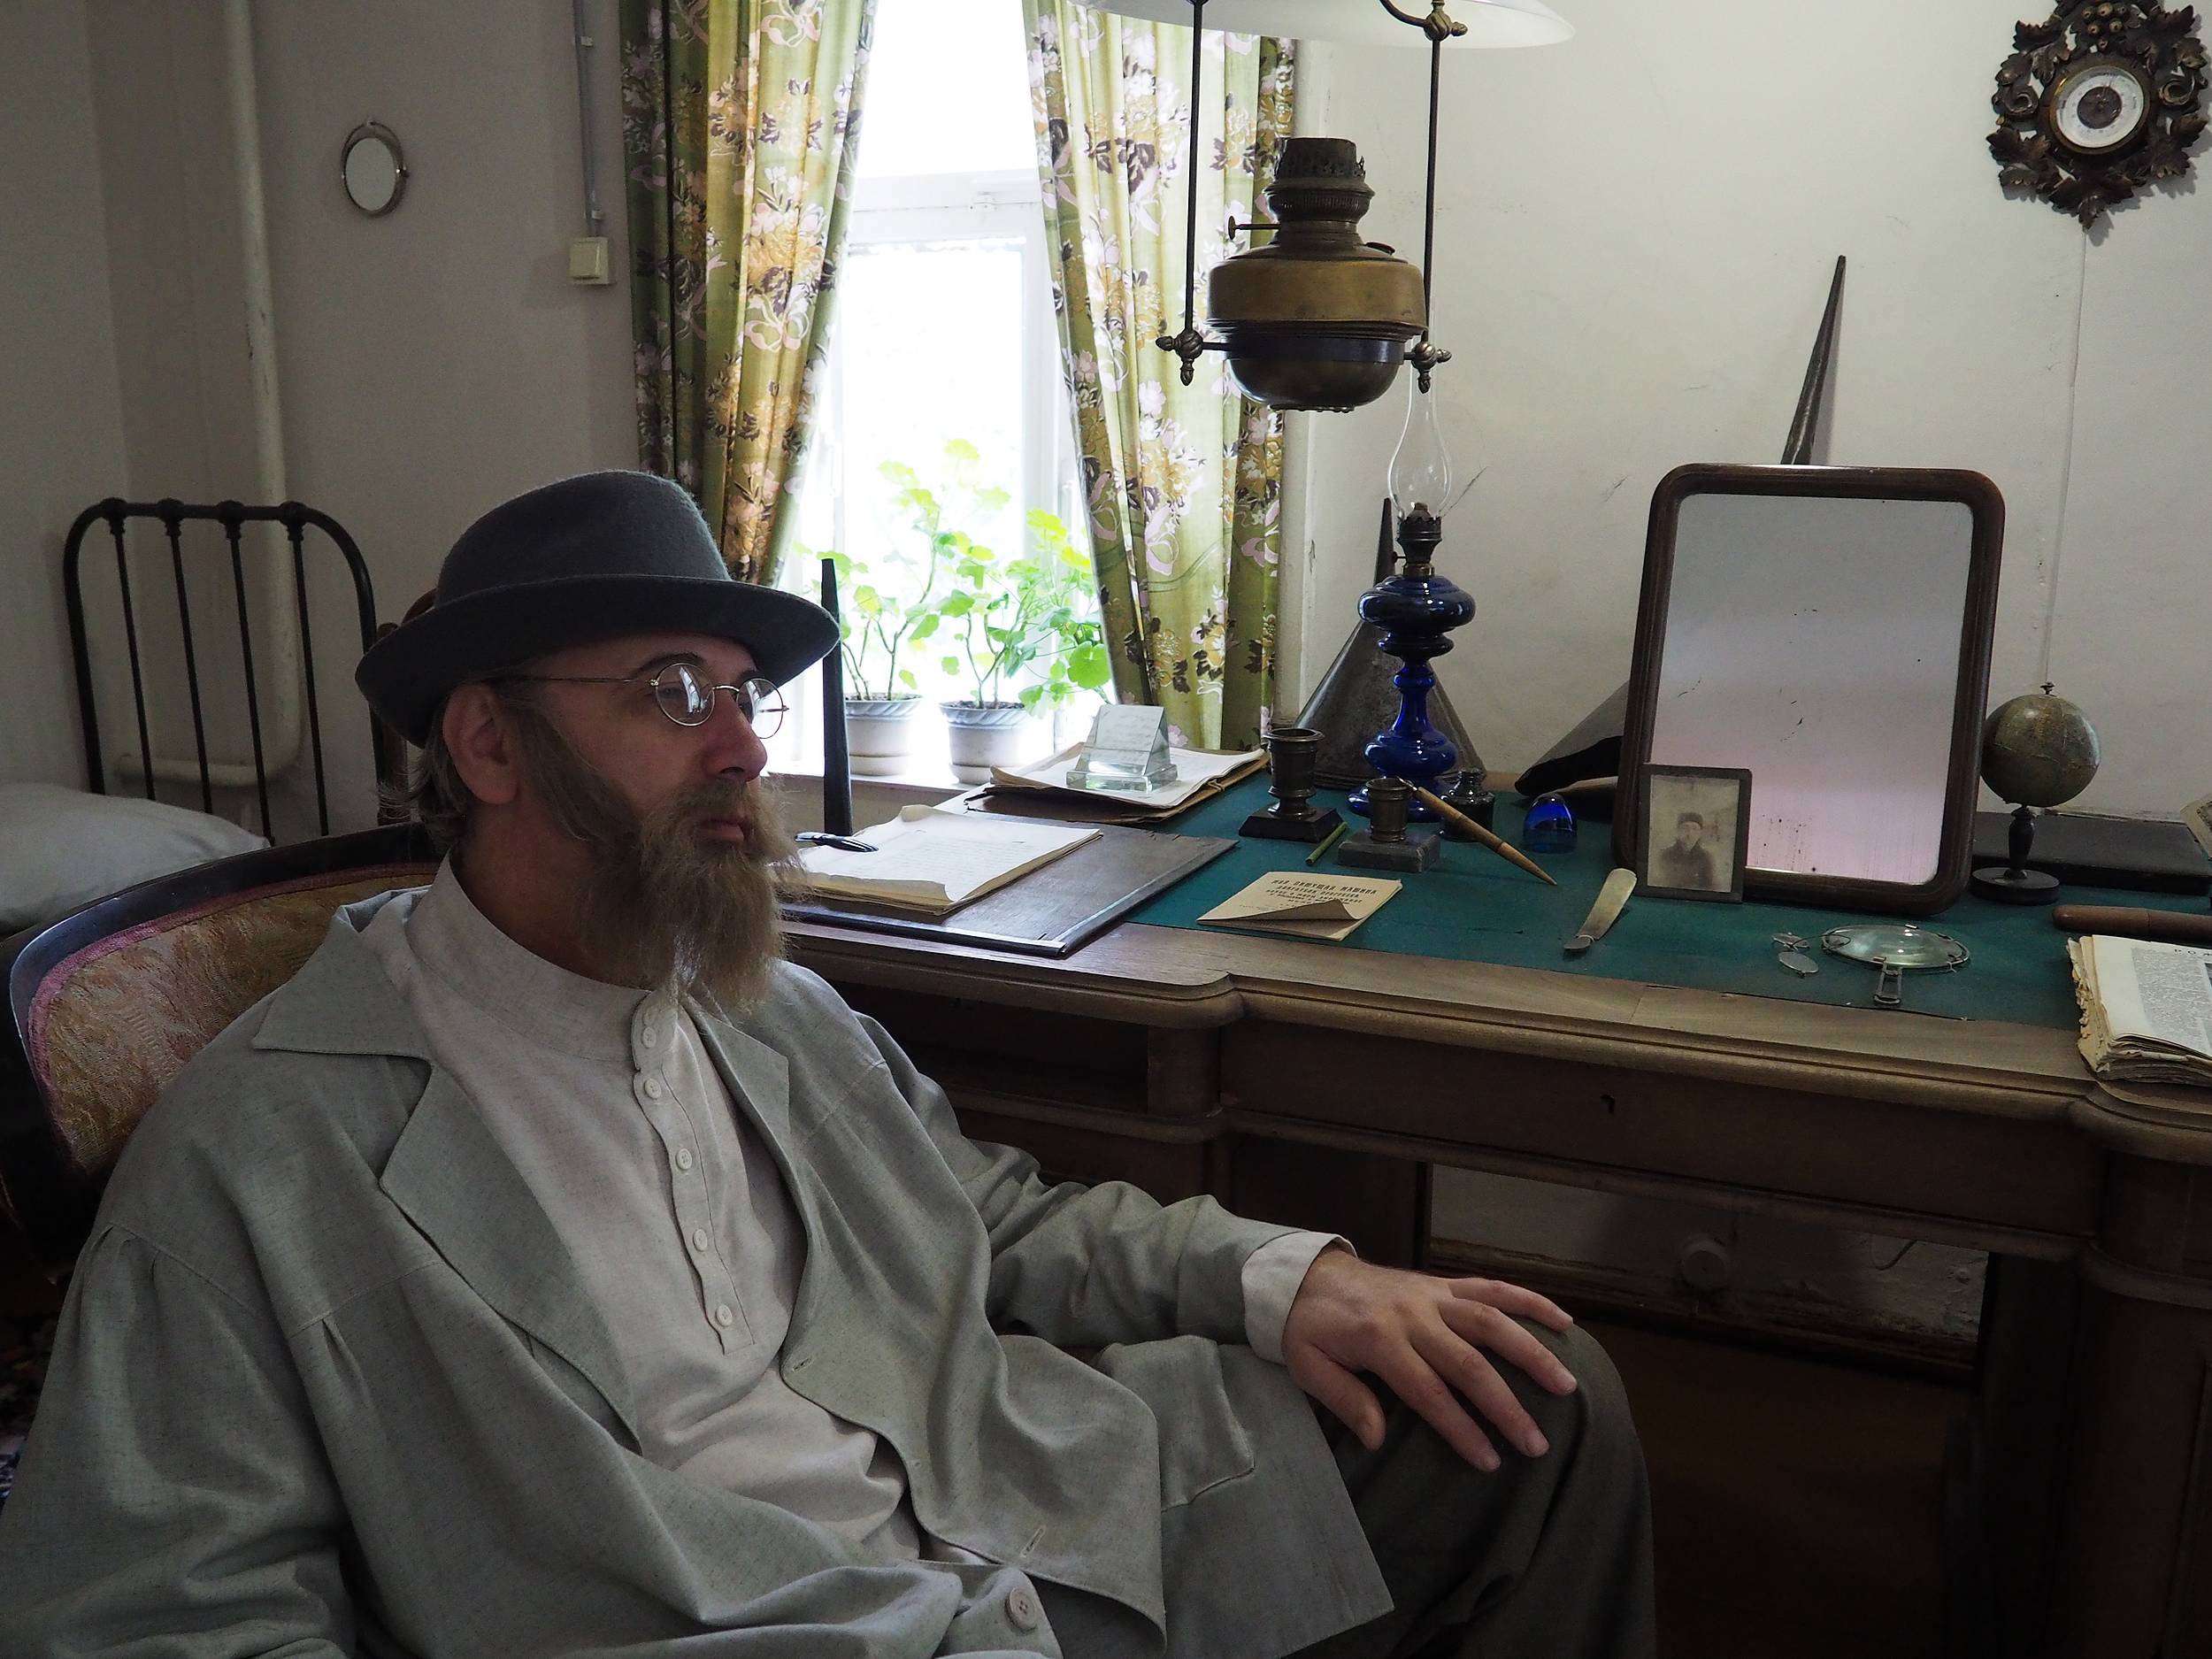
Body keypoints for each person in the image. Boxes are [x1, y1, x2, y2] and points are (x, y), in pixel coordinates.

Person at [0, 472, 1654, 1658]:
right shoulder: (262, 1154)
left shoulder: (766, 1008)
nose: (742, 745)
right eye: (673, 693)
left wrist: (1290, 1281)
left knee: (1534, 1397)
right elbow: (160, 1611)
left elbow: (986, 1219)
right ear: (489, 741)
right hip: (759, 1619)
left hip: (1010, 1522)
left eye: (744, 695)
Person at [1651, 810, 1720, 892]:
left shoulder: (1706, 858)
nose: (1689, 833)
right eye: (1685, 828)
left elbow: (1711, 888)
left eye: (1695, 829)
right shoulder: (1665, 855)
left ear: (1700, 833)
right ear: (1677, 831)